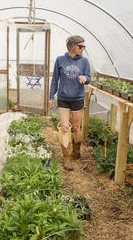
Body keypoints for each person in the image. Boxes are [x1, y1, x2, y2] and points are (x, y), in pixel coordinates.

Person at [49, 35, 91, 170]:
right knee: (65, 128)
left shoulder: (84, 61)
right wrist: (51, 96)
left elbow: (89, 77)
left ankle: (76, 152)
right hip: (63, 98)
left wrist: (86, 78)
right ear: (72, 46)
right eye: (80, 46)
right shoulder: (60, 60)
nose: (82, 49)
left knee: (77, 127)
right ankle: (67, 158)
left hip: (78, 98)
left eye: (84, 46)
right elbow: (55, 79)